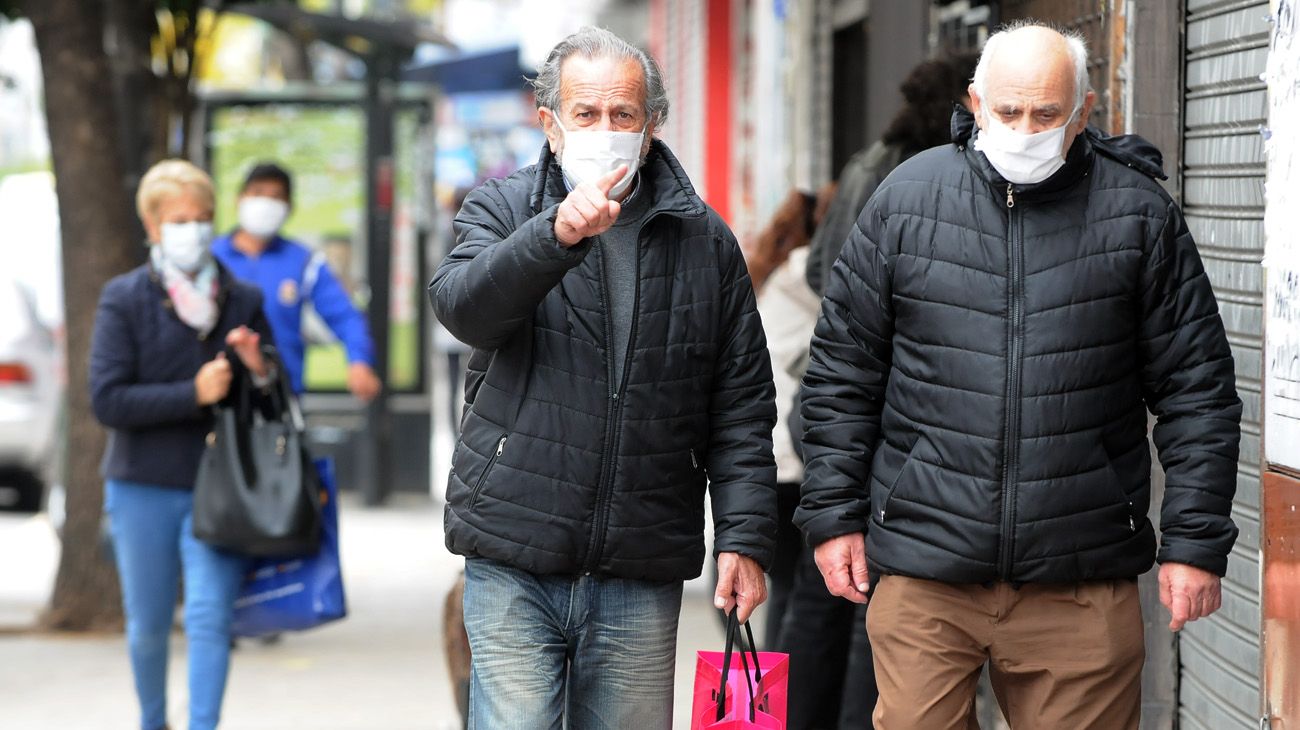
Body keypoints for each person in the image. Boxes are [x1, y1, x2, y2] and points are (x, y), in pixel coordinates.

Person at [798, 21, 1242, 730]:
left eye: (1046, 115)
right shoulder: (905, 201)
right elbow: (841, 377)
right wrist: (832, 516)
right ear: (975, 104)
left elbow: (1198, 393)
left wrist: (1194, 543)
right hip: (923, 568)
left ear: (1084, 112)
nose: (1025, 130)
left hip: (1081, 577)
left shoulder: (1138, 217)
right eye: (1008, 112)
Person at [430, 27, 778, 729]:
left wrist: (743, 537)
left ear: (651, 127)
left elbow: (739, 407)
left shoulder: (704, 241)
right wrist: (553, 235)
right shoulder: (502, 209)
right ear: (551, 126)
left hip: (641, 566)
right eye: (585, 114)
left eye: (624, 115)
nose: (605, 130)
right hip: (512, 555)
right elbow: (464, 309)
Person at [779, 54, 977, 730]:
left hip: (827, 404)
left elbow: (813, 270)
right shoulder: (920, 179)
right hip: (881, 405)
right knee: (872, 602)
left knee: (816, 597)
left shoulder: (867, 161)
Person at [90, 159, 277, 730]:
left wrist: (258, 369)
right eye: (178, 219)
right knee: (147, 626)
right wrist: (191, 393)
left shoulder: (241, 297)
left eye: (201, 218)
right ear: (152, 226)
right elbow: (108, 400)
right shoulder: (124, 299)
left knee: (208, 616)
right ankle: (152, 721)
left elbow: (273, 397)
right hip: (141, 484)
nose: (192, 230)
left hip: (218, 486)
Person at [211, 162, 380, 400]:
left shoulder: (302, 262)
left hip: (280, 396)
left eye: (276, 196)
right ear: (240, 198)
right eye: (258, 193)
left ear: (289, 207)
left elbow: (345, 316)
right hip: (218, 394)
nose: (266, 203)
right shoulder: (212, 258)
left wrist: (359, 361)